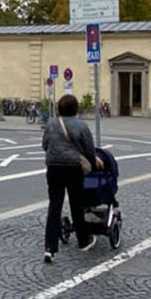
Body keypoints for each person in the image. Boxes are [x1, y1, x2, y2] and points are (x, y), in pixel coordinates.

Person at [41, 94, 98, 262]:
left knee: (54, 206)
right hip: (73, 168)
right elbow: (89, 149)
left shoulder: (51, 124)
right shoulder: (81, 125)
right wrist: (93, 164)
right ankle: (83, 241)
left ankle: (50, 248)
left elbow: (44, 145)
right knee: (76, 204)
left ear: (59, 108)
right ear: (76, 109)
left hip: (53, 168)